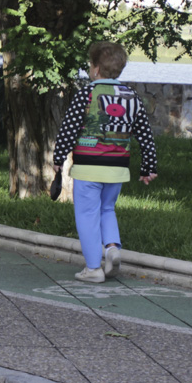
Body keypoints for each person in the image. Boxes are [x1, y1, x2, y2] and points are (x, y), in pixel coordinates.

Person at [53, 41, 158, 283]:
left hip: (88, 167)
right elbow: (145, 135)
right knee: (107, 209)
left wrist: (59, 158)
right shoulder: (132, 98)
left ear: (96, 69)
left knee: (87, 214)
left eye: (91, 65)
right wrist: (148, 168)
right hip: (117, 168)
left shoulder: (87, 94)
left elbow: (68, 130)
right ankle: (112, 249)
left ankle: (93, 268)